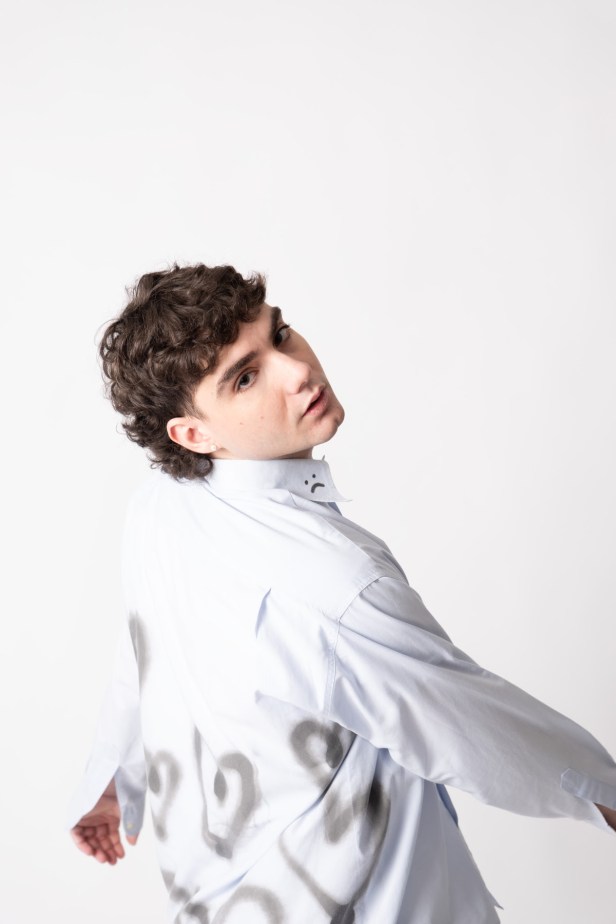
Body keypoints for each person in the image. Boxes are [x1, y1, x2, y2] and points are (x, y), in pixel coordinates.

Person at [68, 263, 616, 923]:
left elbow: (144, 654)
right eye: (245, 377)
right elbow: (470, 723)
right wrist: (607, 793)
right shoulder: (336, 584)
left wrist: (113, 781)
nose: (297, 371)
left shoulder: (157, 507)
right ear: (193, 434)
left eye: (280, 335)